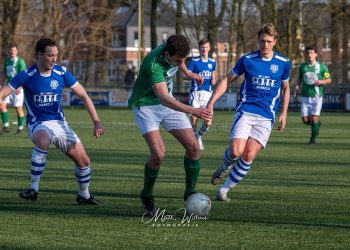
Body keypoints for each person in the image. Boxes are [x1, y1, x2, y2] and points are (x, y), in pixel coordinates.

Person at [0, 38, 104, 205]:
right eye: (50, 55)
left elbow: (84, 95)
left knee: (84, 161)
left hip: (60, 124)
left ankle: (84, 195)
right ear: (39, 55)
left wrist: (96, 121)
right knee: (42, 140)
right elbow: (2, 94)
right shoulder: (27, 75)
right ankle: (33, 188)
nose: (54, 59)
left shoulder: (61, 73)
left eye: (56, 55)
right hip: (37, 123)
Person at [128, 34, 212, 215]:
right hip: (146, 105)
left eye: (183, 60)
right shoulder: (154, 64)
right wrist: (193, 110)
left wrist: (188, 72)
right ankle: (147, 194)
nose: (180, 62)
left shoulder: (174, 51)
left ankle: (190, 192)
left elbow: (180, 62)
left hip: (167, 103)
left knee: (193, 147)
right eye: (177, 60)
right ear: (167, 53)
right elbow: (164, 98)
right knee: (158, 154)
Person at [207, 23, 290, 202]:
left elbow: (286, 88)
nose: (265, 45)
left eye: (268, 41)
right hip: (246, 111)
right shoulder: (248, 60)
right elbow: (227, 80)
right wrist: (211, 103)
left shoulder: (283, 63)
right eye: (262, 41)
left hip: (266, 116)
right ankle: (223, 168)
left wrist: (284, 113)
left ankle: (223, 191)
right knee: (236, 151)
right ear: (258, 40)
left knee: (248, 155)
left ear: (274, 41)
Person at [294, 46, 331, 144]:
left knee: (314, 118)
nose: (309, 55)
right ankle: (316, 125)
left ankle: (312, 139)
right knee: (305, 120)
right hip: (305, 96)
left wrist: (320, 81)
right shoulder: (303, 67)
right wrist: (297, 86)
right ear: (306, 55)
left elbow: (329, 80)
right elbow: (300, 79)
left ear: (315, 54)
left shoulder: (322, 67)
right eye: (308, 53)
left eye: (311, 53)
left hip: (317, 97)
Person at [186, 38, 216, 150]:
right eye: (202, 47)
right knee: (194, 118)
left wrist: (213, 80)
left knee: (208, 122)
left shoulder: (213, 62)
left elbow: (213, 78)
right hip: (196, 93)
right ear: (199, 48)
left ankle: (198, 136)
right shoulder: (194, 62)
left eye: (206, 47)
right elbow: (187, 74)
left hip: (208, 95)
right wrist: (194, 76)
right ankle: (194, 141)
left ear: (209, 48)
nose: (204, 49)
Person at [0, 43, 26, 134]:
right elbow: (4, 74)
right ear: (9, 51)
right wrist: (1, 84)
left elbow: (23, 75)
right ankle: (6, 126)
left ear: (17, 51)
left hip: (17, 88)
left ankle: (20, 128)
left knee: (18, 108)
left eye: (14, 50)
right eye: (11, 50)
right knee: (1, 105)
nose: (12, 52)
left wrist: (20, 86)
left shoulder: (20, 61)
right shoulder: (7, 60)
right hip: (7, 87)